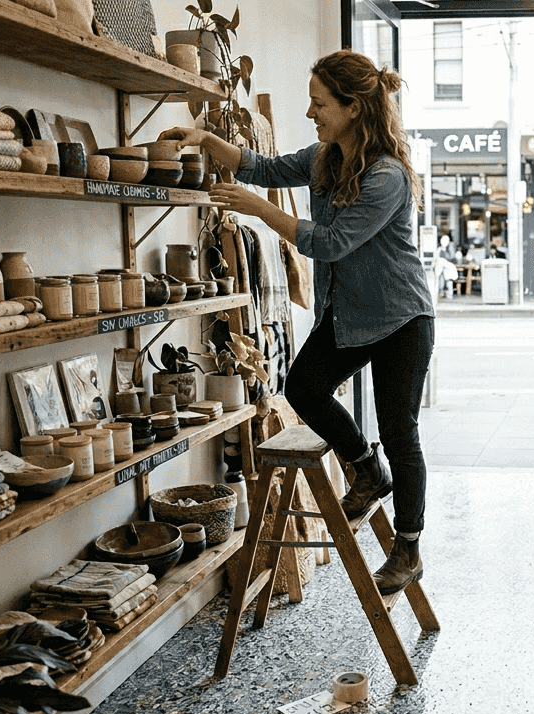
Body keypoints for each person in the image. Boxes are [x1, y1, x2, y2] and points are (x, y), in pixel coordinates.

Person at [158, 50, 433, 596]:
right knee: (304, 387)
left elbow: (330, 242)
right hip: (349, 311)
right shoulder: (326, 157)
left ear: (354, 108)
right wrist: (206, 140)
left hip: (401, 317)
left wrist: (260, 210)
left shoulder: (387, 176)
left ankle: (408, 548)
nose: (311, 113)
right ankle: (366, 469)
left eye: (319, 103)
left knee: (399, 431)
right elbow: (262, 167)